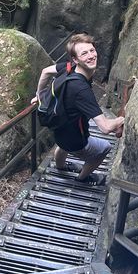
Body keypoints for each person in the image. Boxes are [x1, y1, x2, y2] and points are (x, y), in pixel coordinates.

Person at [35, 33, 124, 185]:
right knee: (105, 148)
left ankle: (61, 167)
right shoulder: (82, 90)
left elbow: (45, 72)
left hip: (59, 129)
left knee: (62, 146)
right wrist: (121, 119)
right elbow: (105, 127)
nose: (91, 56)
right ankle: (83, 178)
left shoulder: (68, 68)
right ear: (75, 59)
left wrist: (39, 94)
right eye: (84, 53)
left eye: (92, 50)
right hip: (76, 140)